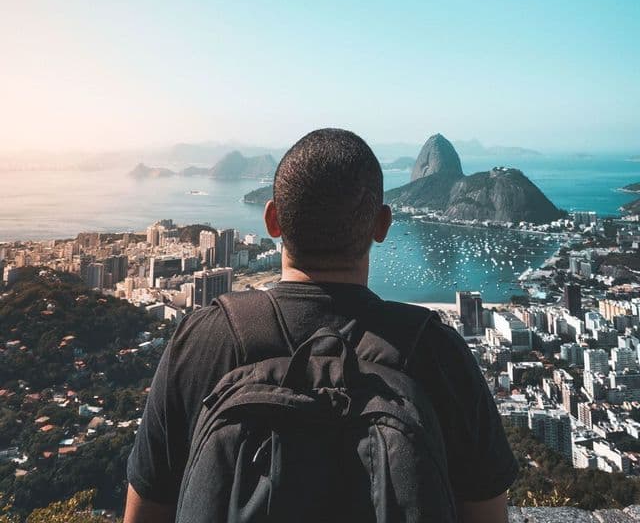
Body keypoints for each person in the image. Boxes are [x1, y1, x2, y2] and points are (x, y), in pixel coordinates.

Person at [124, 128, 518, 523]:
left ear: (272, 219)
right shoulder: (437, 351)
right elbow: (487, 513)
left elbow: (146, 512)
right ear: (382, 226)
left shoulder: (202, 340)